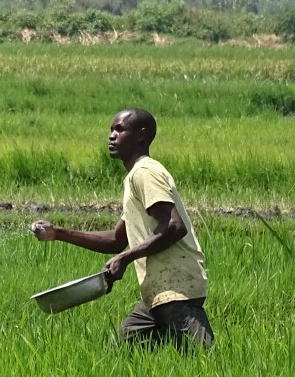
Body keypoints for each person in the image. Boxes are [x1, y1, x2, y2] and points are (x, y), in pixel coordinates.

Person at [32, 107, 213, 349]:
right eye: (111, 130)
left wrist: (126, 258)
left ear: (141, 135)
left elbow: (173, 225)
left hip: (177, 290)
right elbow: (116, 241)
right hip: (156, 295)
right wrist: (59, 233)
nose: (112, 135)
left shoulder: (145, 173)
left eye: (119, 129)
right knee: (121, 354)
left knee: (202, 360)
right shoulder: (133, 178)